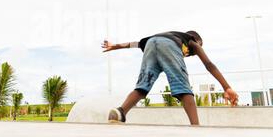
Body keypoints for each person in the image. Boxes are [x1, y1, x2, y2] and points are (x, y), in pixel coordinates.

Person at [101, 31, 239, 125]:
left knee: (143, 86)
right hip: (169, 46)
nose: (190, 55)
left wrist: (115, 46)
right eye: (191, 53)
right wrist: (226, 87)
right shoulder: (191, 41)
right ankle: (196, 126)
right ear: (196, 40)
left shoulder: (170, 34)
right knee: (182, 87)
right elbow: (209, 64)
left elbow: (136, 44)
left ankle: (120, 112)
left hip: (150, 43)